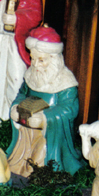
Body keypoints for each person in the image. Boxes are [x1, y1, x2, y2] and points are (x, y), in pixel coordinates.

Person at [6, 25, 83, 176]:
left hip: (49, 136)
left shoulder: (66, 82)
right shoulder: (31, 74)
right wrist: (15, 107)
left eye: (41, 60)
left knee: (39, 161)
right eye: (33, 58)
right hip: (25, 133)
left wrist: (44, 119)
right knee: (15, 163)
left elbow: (69, 110)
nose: (35, 64)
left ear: (54, 59)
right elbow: (22, 94)